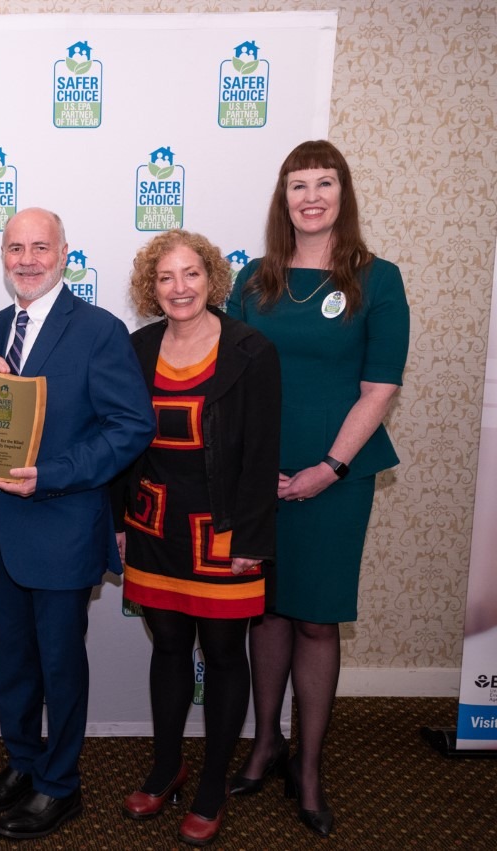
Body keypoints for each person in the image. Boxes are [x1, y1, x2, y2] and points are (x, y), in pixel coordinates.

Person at [226, 140, 409, 838]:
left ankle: (308, 766)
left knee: (315, 618)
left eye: (324, 183)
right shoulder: (255, 279)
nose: (311, 197)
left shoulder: (378, 279)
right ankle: (265, 743)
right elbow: (229, 373)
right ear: (284, 198)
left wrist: (328, 467)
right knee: (267, 611)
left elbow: (380, 388)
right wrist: (249, 468)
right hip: (260, 475)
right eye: (298, 185)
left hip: (335, 475)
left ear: (343, 194)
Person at [0, 208, 154, 841]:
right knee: (13, 665)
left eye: (39, 248)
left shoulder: (99, 330)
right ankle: (24, 762)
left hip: (65, 527)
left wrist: (52, 474)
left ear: (65, 254)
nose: (27, 260)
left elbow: (132, 427)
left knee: (60, 667)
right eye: (15, 248)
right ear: (3, 256)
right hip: (4, 533)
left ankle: (60, 784)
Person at [114, 230, 281, 846]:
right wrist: (119, 522)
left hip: (223, 531)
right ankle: (166, 768)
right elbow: (120, 440)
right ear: (150, 288)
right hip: (154, 525)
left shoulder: (251, 350)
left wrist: (252, 539)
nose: (179, 288)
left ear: (212, 279)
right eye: (165, 277)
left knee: (224, 654)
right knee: (167, 649)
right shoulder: (137, 348)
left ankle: (212, 786)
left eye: (191, 274)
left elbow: (262, 452)